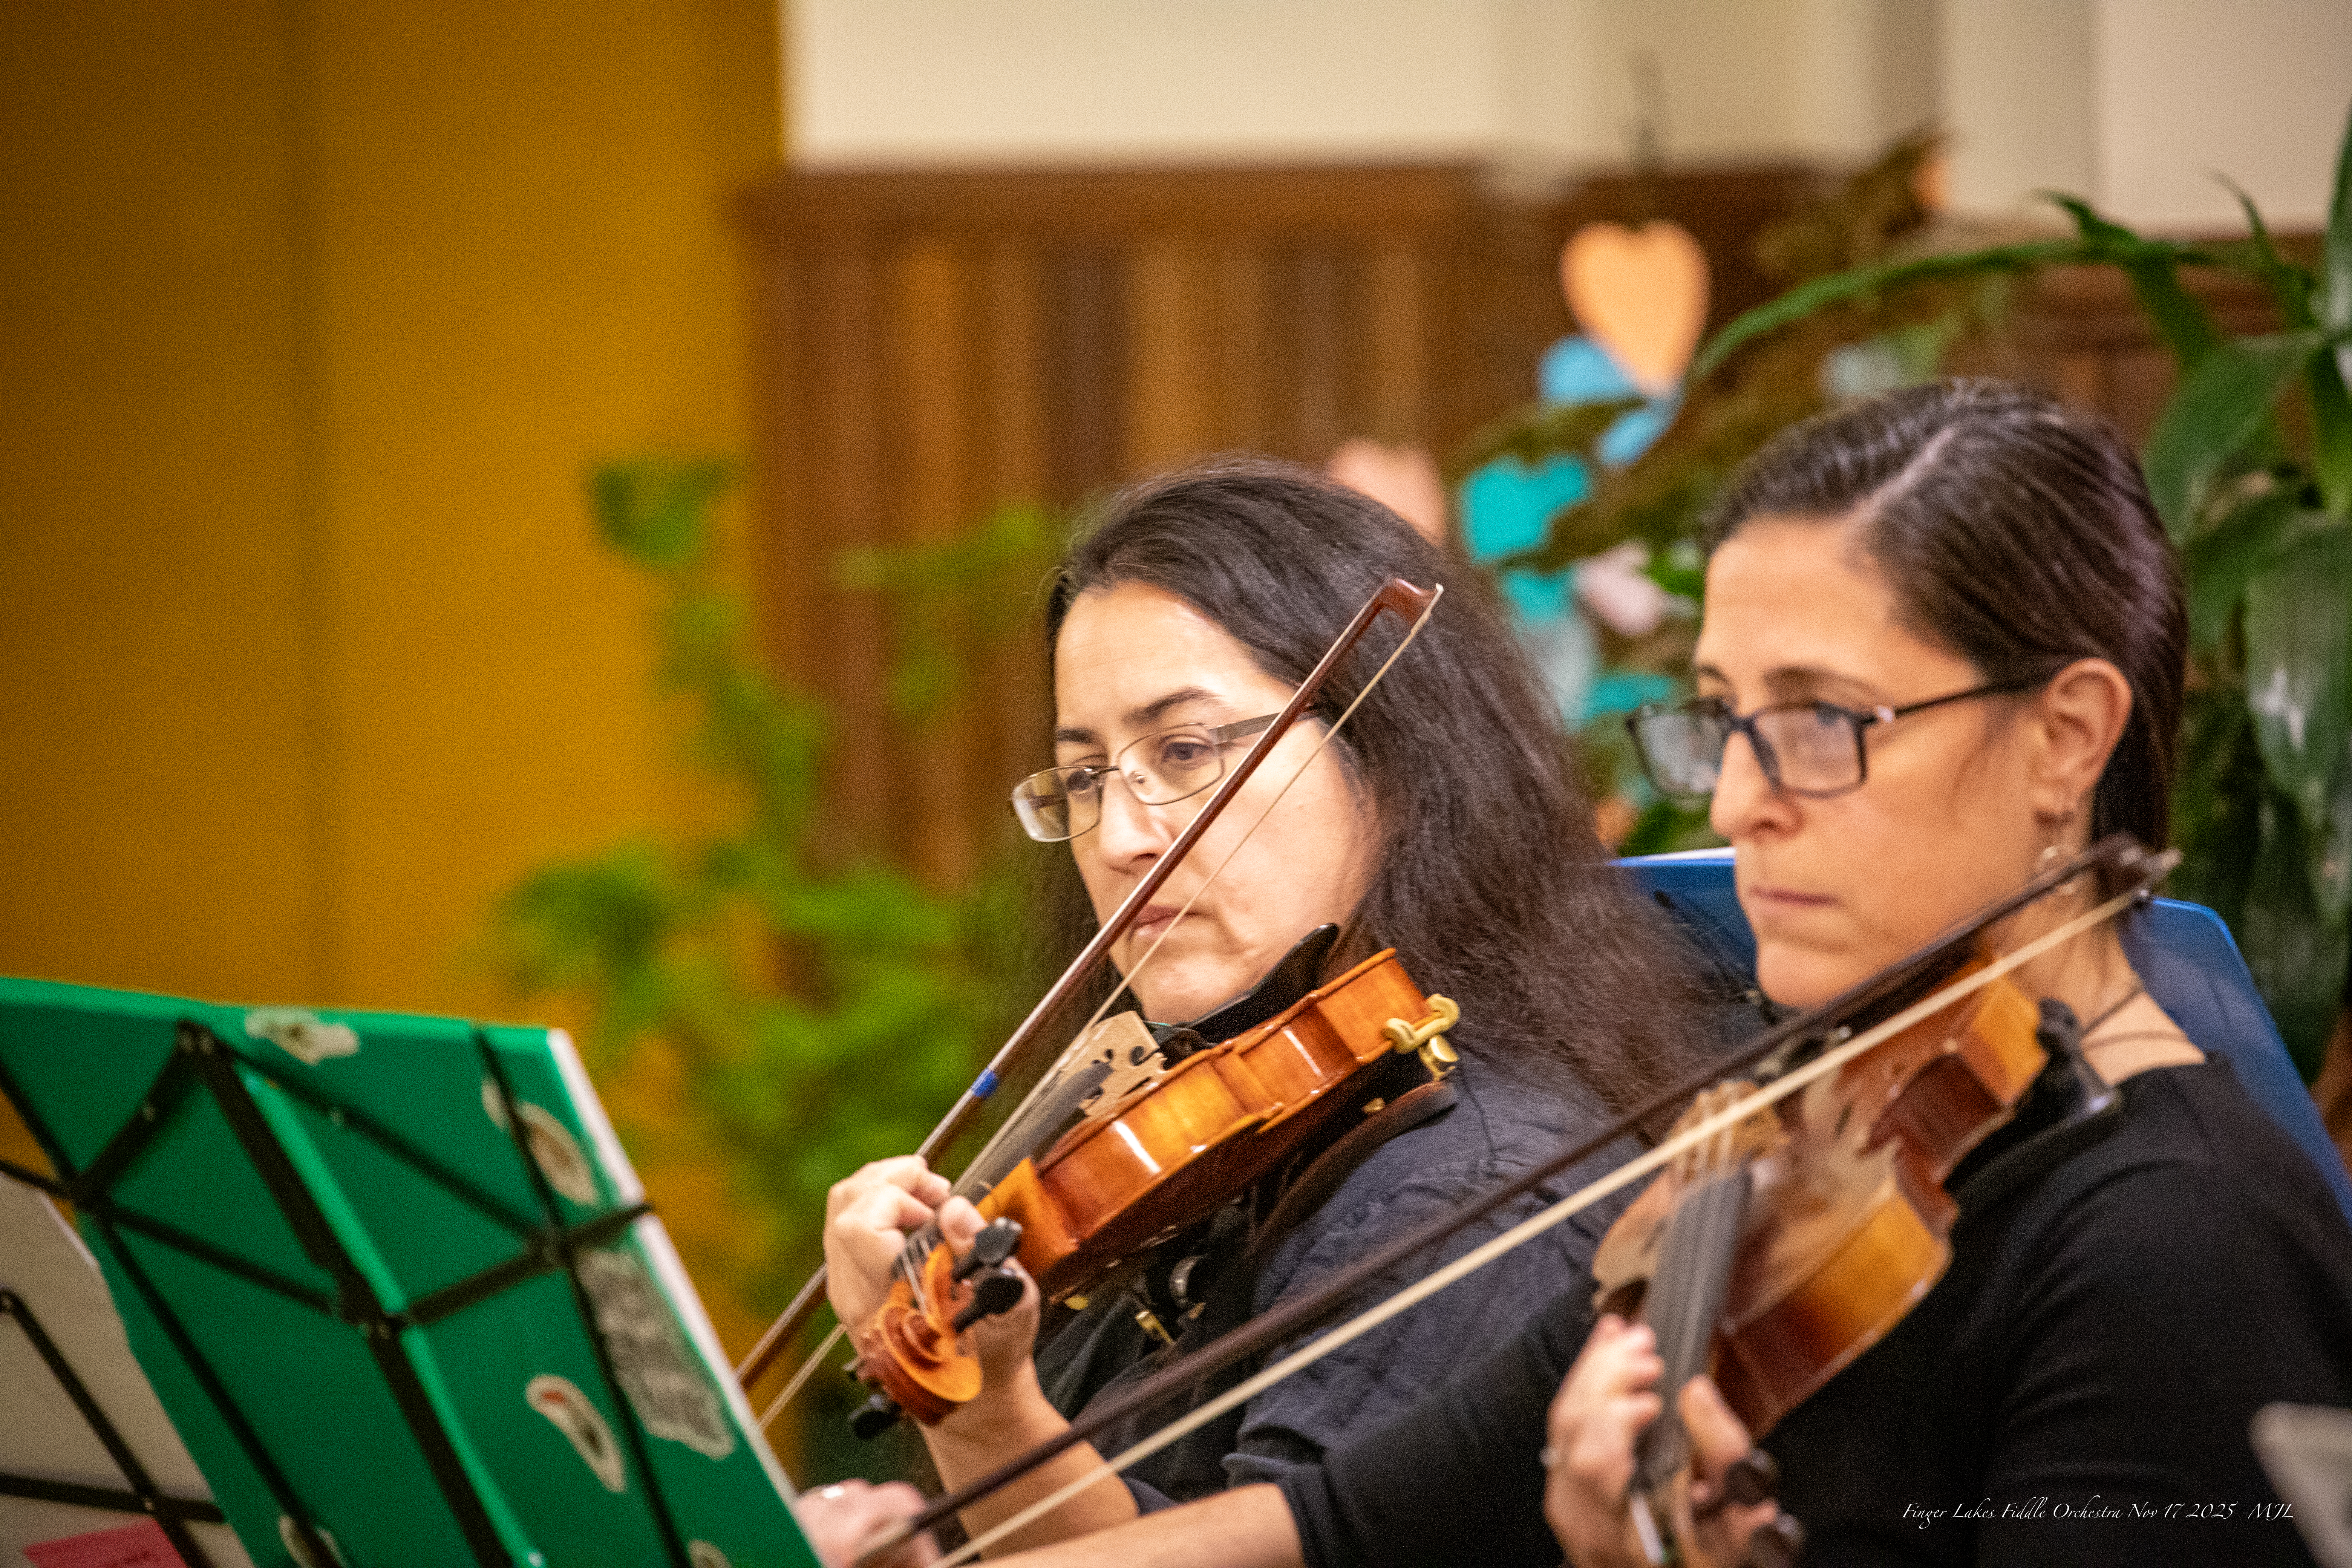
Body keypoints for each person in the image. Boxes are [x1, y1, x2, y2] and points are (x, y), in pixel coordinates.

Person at [807, 380, 2352, 1568]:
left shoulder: (2173, 1236)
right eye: (1724, 719)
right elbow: (1323, 1534)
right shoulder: (1799, 1153)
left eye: (1820, 720)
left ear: (2066, 737)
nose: (1743, 799)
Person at [813, 457, 1716, 1554]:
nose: (1120, 839)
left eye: (1186, 752)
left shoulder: (1469, 1184)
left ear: (1391, 759)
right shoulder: (1218, 1133)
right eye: (1087, 775)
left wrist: (985, 1416)